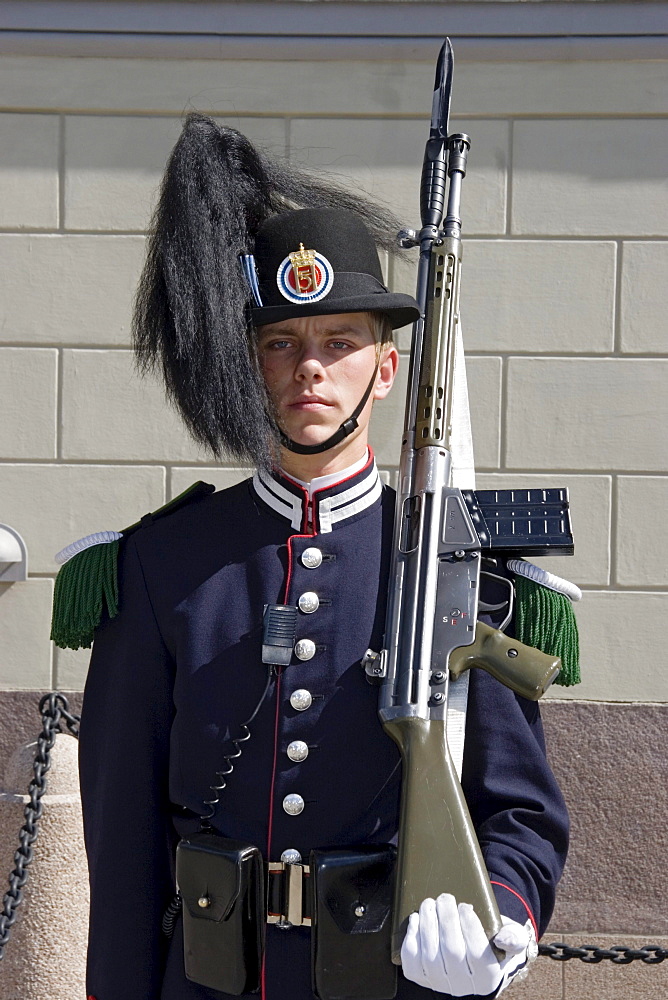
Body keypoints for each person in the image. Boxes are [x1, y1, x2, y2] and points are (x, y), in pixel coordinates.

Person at [59, 116, 569, 1000]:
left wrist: (505, 915)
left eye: (340, 342)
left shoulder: (459, 562)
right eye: (281, 344)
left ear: (387, 368)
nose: (311, 370)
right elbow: (126, 839)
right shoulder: (159, 566)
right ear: (250, 365)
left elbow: (519, 811)